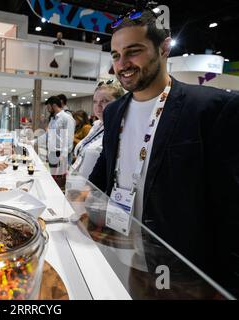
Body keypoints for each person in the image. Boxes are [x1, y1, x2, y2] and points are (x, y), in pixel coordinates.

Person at [89, 9, 239, 296]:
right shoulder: (114, 112)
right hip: (128, 254)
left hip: (185, 270)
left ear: (164, 48)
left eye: (134, 52)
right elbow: (107, 165)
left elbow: (231, 205)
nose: (123, 64)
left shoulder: (210, 109)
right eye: (116, 55)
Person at [71, 81, 124, 178]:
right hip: (78, 185)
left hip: (95, 190)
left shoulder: (121, 131)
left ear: (120, 102)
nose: (98, 106)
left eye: (104, 101)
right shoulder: (96, 125)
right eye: (95, 101)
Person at [45, 96, 75, 190]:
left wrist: (63, 156)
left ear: (53, 105)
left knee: (61, 184)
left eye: (48, 107)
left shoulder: (67, 118)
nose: (47, 110)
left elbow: (69, 140)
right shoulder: (53, 119)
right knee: (53, 182)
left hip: (61, 155)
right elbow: (48, 135)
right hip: (53, 153)